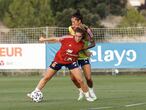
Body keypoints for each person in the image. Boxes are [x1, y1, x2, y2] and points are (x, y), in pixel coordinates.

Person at [27, 27, 94, 102]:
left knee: (80, 80)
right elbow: (55, 39)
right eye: (76, 36)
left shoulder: (82, 44)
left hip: (71, 62)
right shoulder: (67, 38)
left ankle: (88, 97)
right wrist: (44, 39)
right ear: (74, 34)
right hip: (59, 60)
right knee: (46, 77)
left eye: (80, 36)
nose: (77, 38)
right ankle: (35, 92)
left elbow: (85, 51)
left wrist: (89, 53)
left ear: (82, 37)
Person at [68, 10, 97, 101]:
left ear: (79, 21)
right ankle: (81, 91)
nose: (72, 23)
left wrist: (84, 49)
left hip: (83, 56)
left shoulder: (87, 30)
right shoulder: (70, 29)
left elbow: (93, 43)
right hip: (74, 57)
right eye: (71, 22)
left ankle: (91, 91)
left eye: (74, 21)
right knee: (73, 78)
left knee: (88, 78)